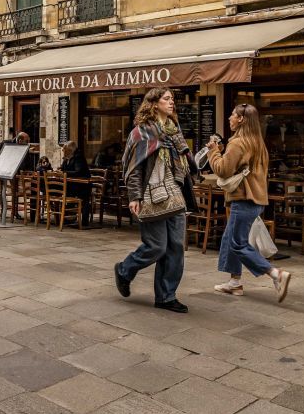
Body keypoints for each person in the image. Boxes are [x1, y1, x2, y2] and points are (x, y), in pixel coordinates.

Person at [114, 87, 194, 314]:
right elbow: (134, 168)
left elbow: (184, 162)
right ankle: (124, 270)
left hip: (175, 193)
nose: (172, 103)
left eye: (172, 99)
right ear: (154, 103)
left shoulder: (174, 130)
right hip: (152, 194)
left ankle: (166, 297)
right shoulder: (141, 132)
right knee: (157, 247)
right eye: (167, 99)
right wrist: (134, 196)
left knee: (176, 248)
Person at [207, 103, 291, 302]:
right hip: (256, 200)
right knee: (230, 239)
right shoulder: (257, 142)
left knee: (237, 244)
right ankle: (234, 283)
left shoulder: (238, 143)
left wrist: (214, 151)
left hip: (244, 199)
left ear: (241, 119)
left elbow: (223, 170)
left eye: (233, 115)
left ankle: (275, 274)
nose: (229, 117)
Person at [60, 140, 93, 226]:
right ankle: (69, 217)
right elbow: (63, 169)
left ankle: (84, 220)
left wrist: (64, 173)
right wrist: (63, 166)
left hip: (83, 185)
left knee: (84, 199)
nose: (64, 152)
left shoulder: (78, 157)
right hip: (73, 184)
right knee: (65, 192)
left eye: (65, 151)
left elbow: (78, 172)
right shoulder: (68, 157)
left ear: (70, 150)